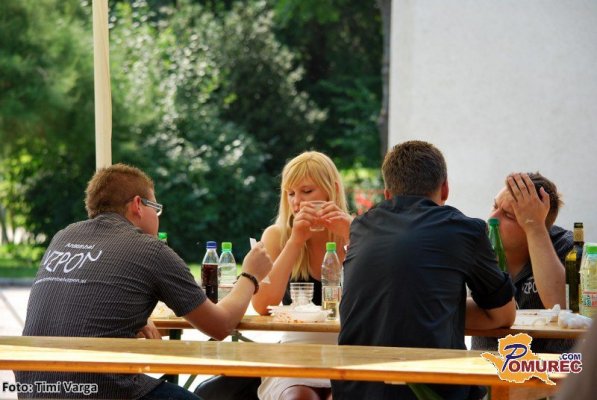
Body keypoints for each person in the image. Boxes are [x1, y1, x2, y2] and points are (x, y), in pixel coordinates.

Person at [15, 163, 272, 399]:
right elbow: (220, 326)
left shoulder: (64, 236)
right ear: (138, 205)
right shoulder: (150, 250)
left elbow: (84, 298)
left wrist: (136, 317)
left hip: (34, 387)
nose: (158, 217)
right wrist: (250, 275)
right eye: (156, 209)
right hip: (101, 390)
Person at [332, 140, 516, 400]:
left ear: (387, 194)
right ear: (445, 188)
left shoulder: (361, 227)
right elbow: (503, 315)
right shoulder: (465, 230)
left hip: (356, 391)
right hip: (429, 392)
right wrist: (443, 308)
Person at [253, 151, 353, 400]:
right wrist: (296, 241)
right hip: (295, 353)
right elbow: (262, 305)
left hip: (350, 353)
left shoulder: (358, 230)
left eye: (306, 191)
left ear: (332, 190)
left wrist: (352, 237)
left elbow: (377, 297)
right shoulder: (277, 236)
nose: (297, 202)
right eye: (290, 193)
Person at [471, 172, 574, 354]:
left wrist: (534, 227)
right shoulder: (477, 246)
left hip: (548, 367)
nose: (493, 218)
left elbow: (562, 306)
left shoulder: (568, 248)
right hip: (485, 365)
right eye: (494, 206)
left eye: (508, 215)